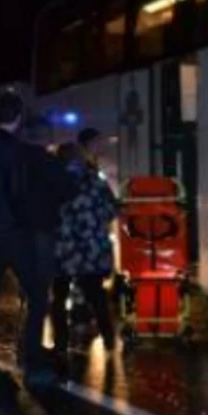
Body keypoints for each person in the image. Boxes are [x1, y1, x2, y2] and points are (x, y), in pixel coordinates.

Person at [0, 91, 74, 389]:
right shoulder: (20, 152)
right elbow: (44, 189)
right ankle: (33, 362)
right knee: (37, 296)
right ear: (19, 118)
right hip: (17, 233)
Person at [50, 141, 118, 356]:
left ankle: (60, 343)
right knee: (97, 296)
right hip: (92, 250)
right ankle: (109, 340)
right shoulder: (95, 181)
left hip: (63, 250)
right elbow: (111, 210)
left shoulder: (54, 181)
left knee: (59, 297)